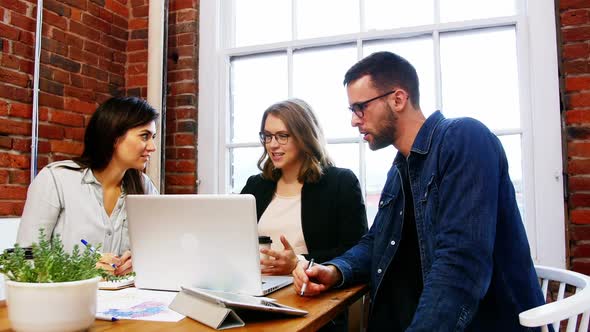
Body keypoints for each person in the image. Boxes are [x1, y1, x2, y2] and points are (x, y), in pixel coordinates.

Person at [292, 52, 547, 331]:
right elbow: (377, 241)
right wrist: (334, 271)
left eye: (360, 108)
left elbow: (461, 266)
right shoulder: (401, 168)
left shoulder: (464, 139)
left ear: (398, 99)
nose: (354, 120)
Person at [17, 96, 159, 276]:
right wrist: (80, 269)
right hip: (67, 300)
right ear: (114, 136)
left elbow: (157, 252)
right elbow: (25, 257)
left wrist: (137, 262)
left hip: (126, 300)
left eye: (152, 137)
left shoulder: (145, 187)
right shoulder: (55, 180)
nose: (152, 147)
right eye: (144, 136)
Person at [241, 99, 368, 275]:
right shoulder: (256, 185)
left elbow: (355, 251)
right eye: (267, 136)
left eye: (282, 136)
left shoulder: (341, 182)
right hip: (257, 287)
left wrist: (298, 262)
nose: (272, 144)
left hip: (312, 291)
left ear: (304, 137)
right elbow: (235, 241)